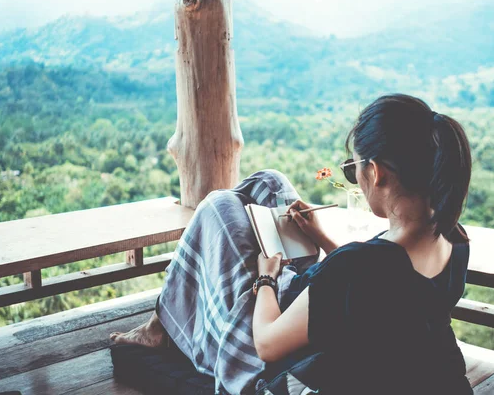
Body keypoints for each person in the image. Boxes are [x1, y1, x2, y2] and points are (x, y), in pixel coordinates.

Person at [111, 93, 473, 394]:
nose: (356, 179)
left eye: (354, 169)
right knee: (270, 182)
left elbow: (267, 345)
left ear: (376, 173)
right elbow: (380, 293)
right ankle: (162, 324)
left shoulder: (358, 266)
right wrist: (322, 239)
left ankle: (160, 327)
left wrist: (266, 277)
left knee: (218, 207)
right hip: (324, 316)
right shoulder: (453, 241)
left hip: (277, 343)